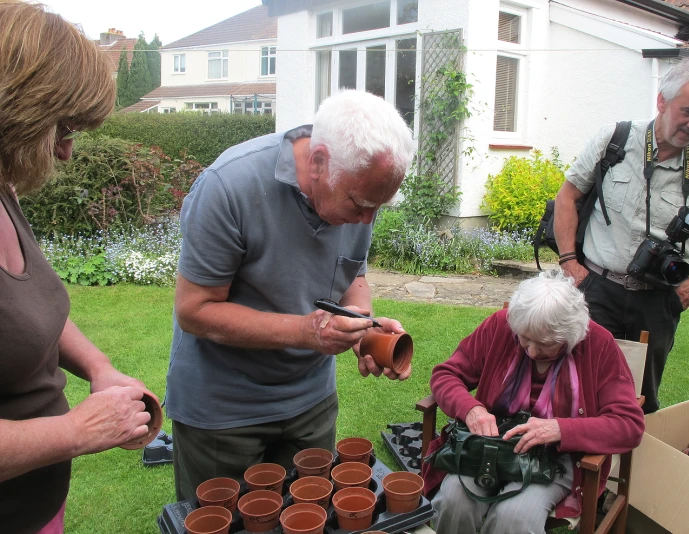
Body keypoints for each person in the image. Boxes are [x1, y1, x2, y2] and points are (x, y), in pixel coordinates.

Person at [166, 89, 416, 501]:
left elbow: (352, 278)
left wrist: (359, 321)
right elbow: (194, 310)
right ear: (318, 162)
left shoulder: (356, 191)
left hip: (309, 402)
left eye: (378, 207)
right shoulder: (230, 185)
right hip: (223, 407)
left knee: (309, 517)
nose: (368, 220)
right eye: (360, 203)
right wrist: (307, 332)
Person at [0, 3, 160, 533]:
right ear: (16, 107)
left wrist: (99, 368)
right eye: (63, 127)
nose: (67, 152)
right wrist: (75, 432)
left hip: (36, 505)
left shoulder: (4, 194)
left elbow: (25, 311)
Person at [554, 59, 689, 414]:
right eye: (688, 111)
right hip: (596, 289)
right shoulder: (615, 140)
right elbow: (567, 196)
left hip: (658, 302)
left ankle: (635, 468)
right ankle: (571, 466)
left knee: (639, 399)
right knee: (576, 387)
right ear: (662, 101)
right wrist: (570, 262)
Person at [422, 269, 644, 534]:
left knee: (514, 518)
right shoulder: (501, 325)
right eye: (525, 339)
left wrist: (559, 429)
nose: (532, 351)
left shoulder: (598, 344)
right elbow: (446, 375)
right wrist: (471, 409)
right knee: (453, 502)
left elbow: (628, 424)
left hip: (555, 458)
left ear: (571, 336)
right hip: (491, 444)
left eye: (546, 344)